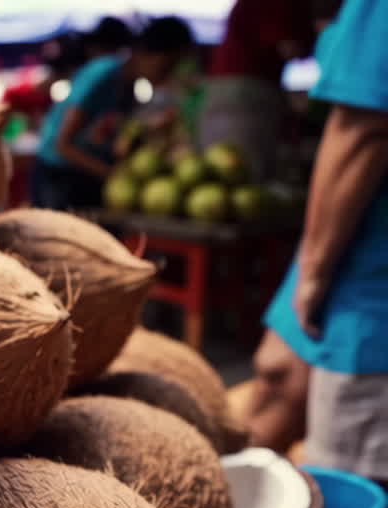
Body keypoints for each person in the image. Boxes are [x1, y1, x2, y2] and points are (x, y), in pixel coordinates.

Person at [262, 0, 388, 482]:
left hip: (367, 295)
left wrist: (315, 272)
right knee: (277, 374)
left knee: (349, 493)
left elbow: (364, 131)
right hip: (352, 260)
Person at [32, 17, 194, 210]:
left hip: (86, 176)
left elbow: (113, 138)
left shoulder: (131, 89)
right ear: (150, 54)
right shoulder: (103, 74)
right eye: (168, 65)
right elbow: (63, 145)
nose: (169, 74)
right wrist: (114, 174)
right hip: (58, 176)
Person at [200, 0, 315, 182]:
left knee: (223, 171)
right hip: (245, 93)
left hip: (229, 89)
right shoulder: (279, 5)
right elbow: (290, 48)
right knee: (241, 173)